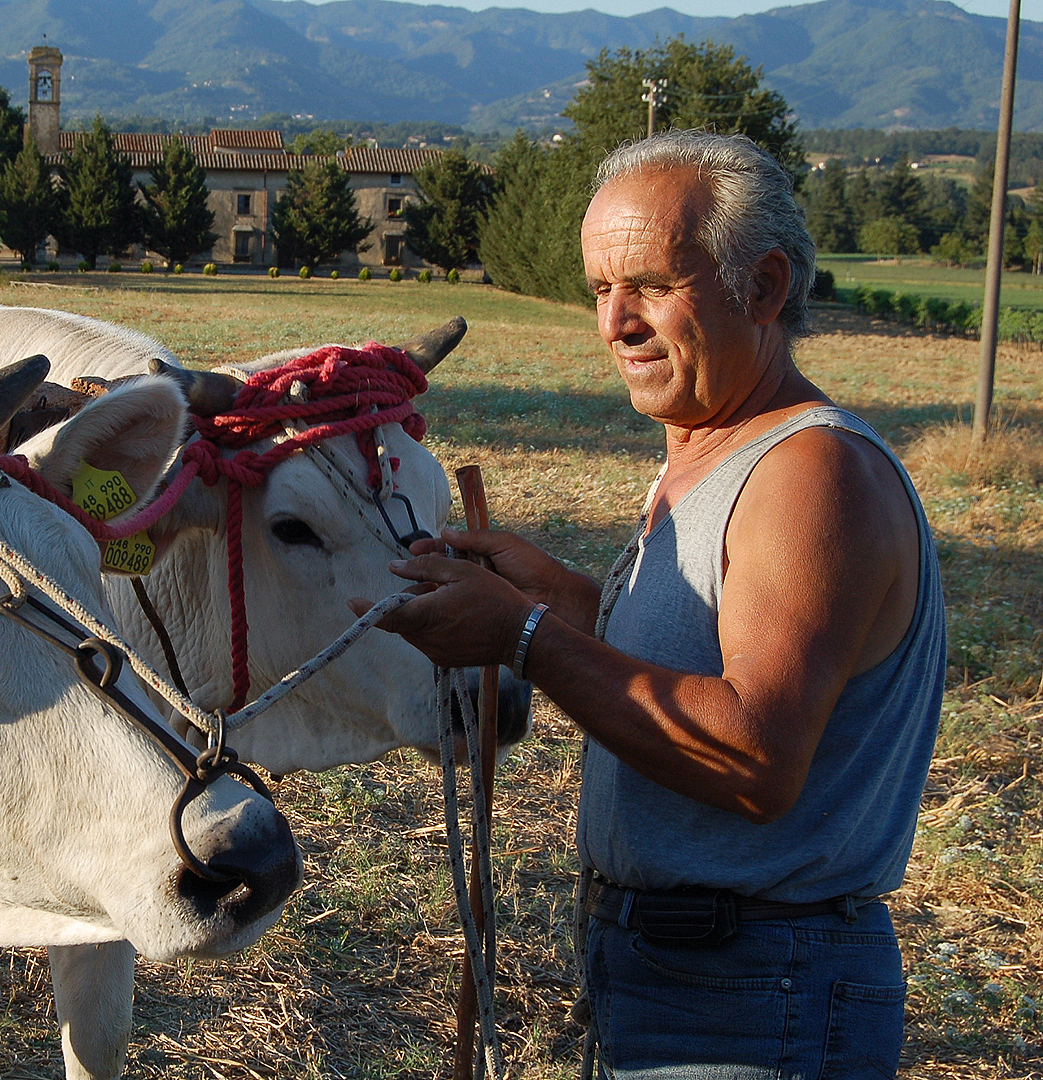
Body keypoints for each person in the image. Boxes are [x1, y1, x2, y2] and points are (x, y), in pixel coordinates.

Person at [354, 130, 944, 1078]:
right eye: (599, 290)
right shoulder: (707, 452)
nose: (614, 323)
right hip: (683, 970)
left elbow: (753, 758)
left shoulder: (808, 474)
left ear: (763, 287)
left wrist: (525, 636)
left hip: (756, 993)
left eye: (652, 285)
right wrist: (563, 601)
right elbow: (708, 673)